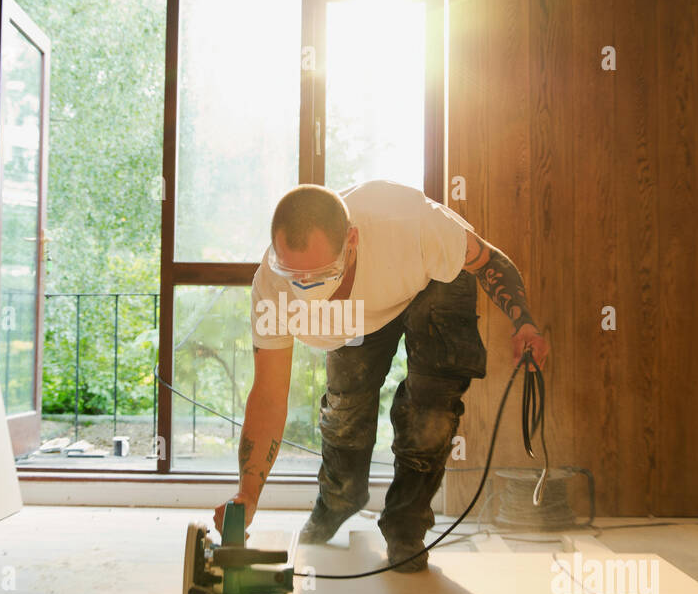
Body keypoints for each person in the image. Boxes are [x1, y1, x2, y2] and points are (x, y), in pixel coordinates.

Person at [214, 180, 549, 572]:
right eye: (294, 275)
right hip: (359, 316)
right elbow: (269, 395)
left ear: (352, 240)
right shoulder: (271, 289)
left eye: (319, 274)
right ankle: (339, 498)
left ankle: (406, 526)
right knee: (345, 411)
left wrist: (523, 322)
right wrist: (247, 495)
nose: (304, 288)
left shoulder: (416, 228)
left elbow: (489, 260)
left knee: (431, 412)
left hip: (431, 282)